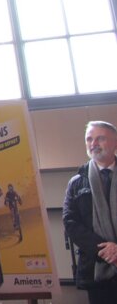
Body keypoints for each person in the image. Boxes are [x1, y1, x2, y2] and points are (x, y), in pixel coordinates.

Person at [64, 121, 117, 303]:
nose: (93, 144)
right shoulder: (76, 182)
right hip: (96, 268)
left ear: (115, 142)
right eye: (89, 139)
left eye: (100, 138)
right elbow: (70, 222)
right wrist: (106, 250)